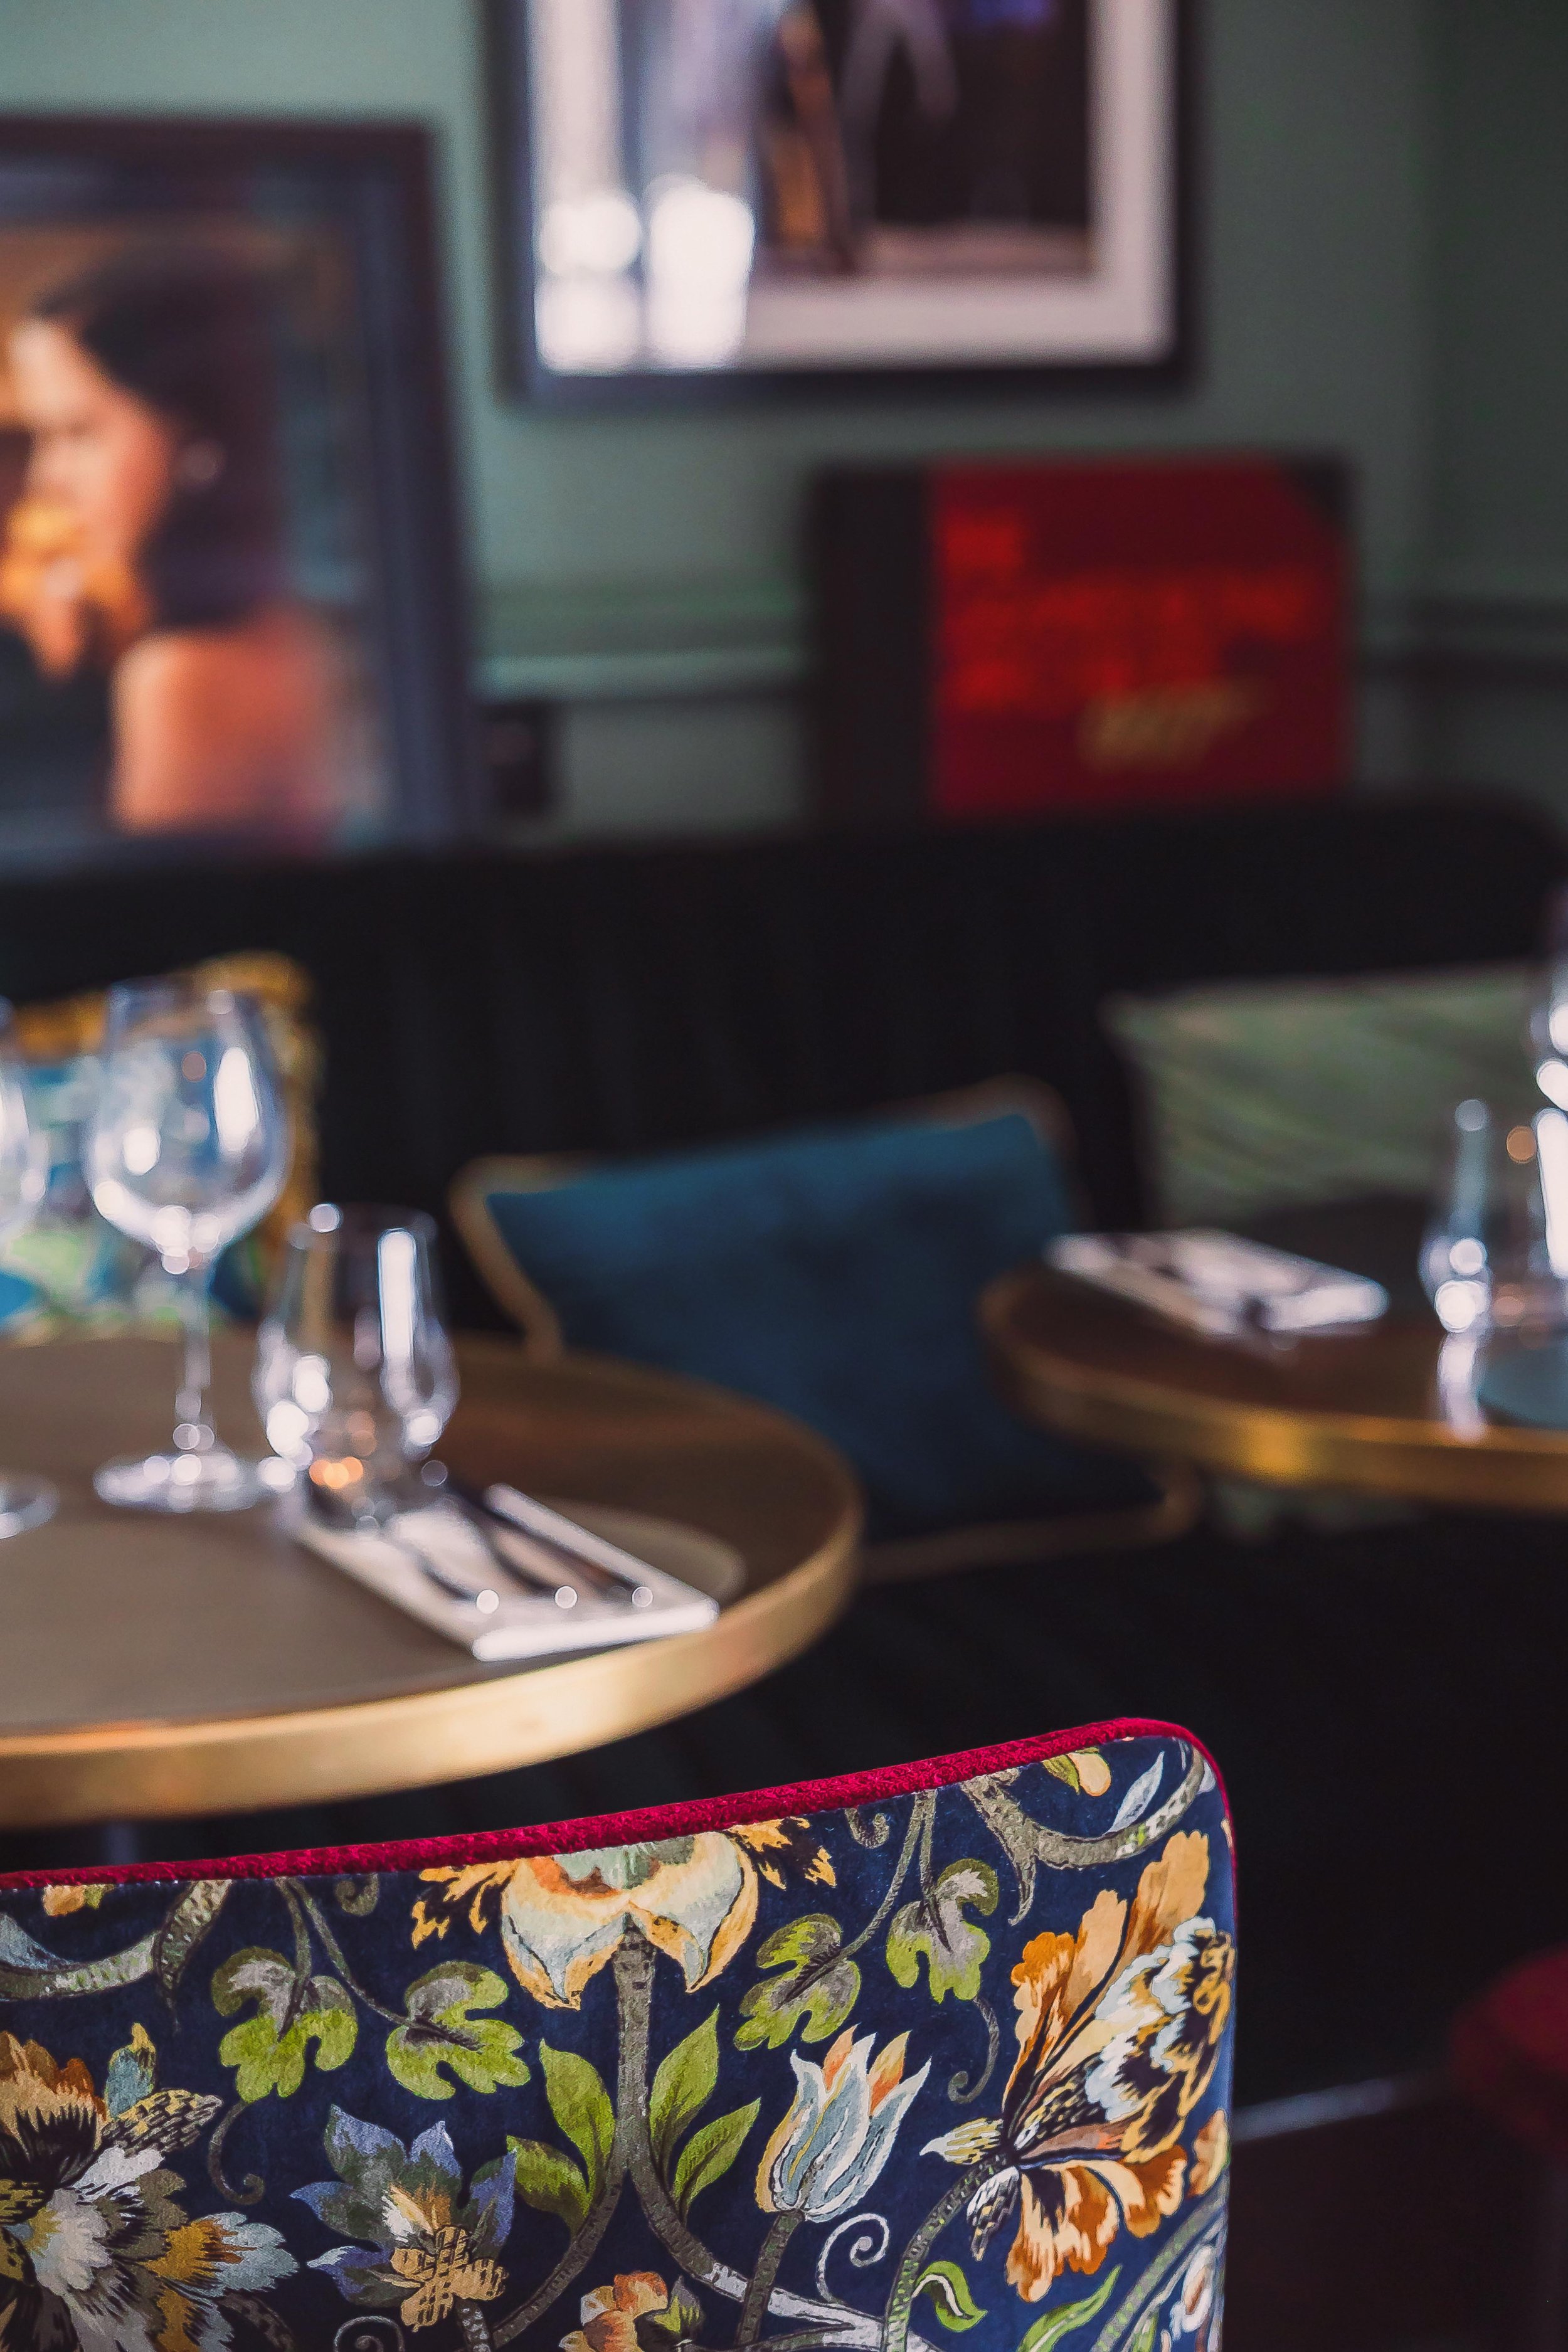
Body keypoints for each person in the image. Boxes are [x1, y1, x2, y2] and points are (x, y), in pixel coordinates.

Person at [0, 242, 347, 835]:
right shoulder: (285, 619)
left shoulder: (182, 676)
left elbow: (153, 920)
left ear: (197, 436)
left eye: (80, 434)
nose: (45, 479)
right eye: (38, 438)